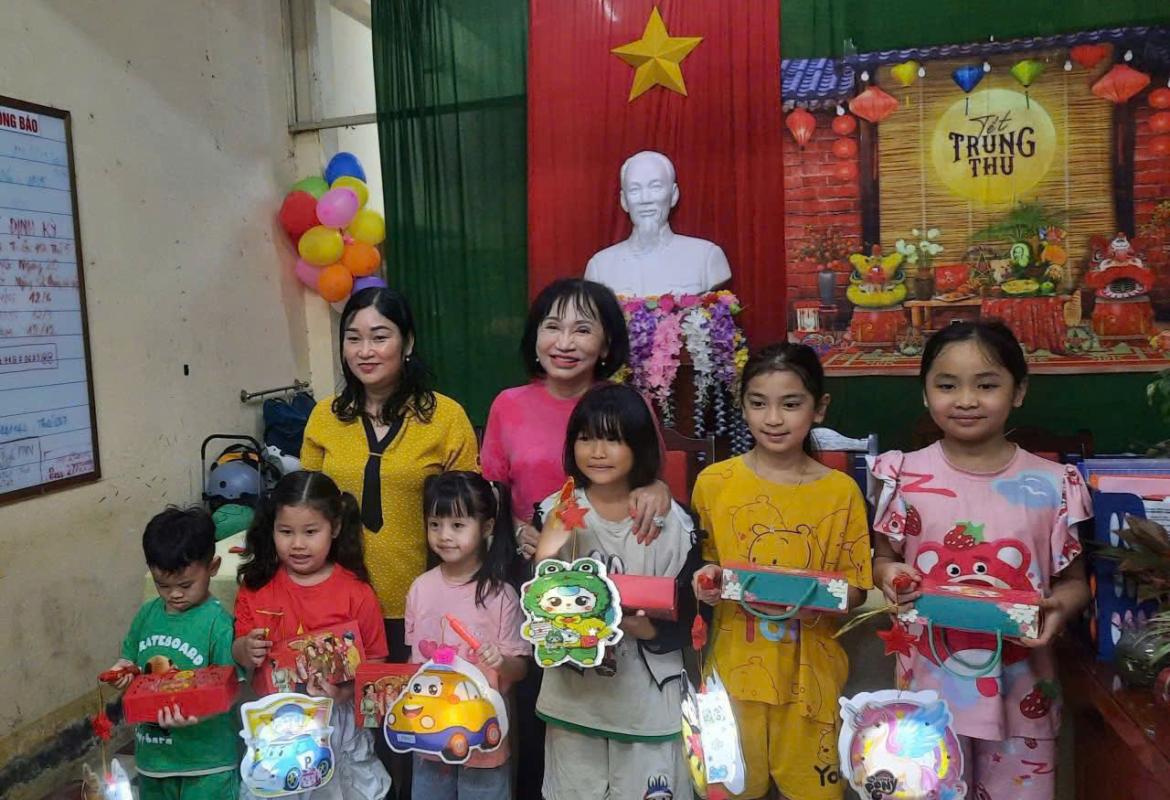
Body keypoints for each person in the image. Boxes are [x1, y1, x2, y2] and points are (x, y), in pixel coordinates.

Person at [869, 320, 1091, 800]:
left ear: (1019, 391)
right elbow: (883, 557)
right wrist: (889, 574)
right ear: (925, 393)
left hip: (1023, 695)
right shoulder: (903, 475)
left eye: (986, 385)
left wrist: (1061, 607)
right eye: (947, 385)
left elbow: (1075, 581)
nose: (966, 400)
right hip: (926, 691)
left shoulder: (1053, 484)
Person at [480, 278, 673, 799]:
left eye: (582, 330)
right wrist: (517, 530)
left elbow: (651, 476)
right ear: (535, 336)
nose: (564, 342)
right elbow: (494, 491)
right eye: (552, 327)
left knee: (605, 694)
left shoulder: (628, 403)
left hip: (612, 574)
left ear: (606, 344)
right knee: (540, 705)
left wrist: (656, 487)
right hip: (532, 572)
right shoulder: (508, 405)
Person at [691, 343, 872, 800]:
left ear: (819, 408)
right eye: (758, 403)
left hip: (811, 676)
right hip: (734, 670)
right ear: (742, 406)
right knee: (731, 788)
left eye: (790, 404)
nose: (773, 418)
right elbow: (705, 565)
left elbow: (856, 589)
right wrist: (707, 582)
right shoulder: (714, 483)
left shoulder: (841, 492)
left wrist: (814, 597)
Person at [533, 383, 699, 800]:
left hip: (647, 703)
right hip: (575, 702)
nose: (597, 452)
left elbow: (694, 615)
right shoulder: (554, 511)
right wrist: (545, 551)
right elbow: (534, 607)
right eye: (586, 438)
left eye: (613, 438)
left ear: (638, 445)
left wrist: (645, 628)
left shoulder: (675, 523)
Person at [300, 286, 479, 659]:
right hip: (339, 600)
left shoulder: (445, 418)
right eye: (353, 338)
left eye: (379, 337)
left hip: (426, 599)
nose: (365, 351)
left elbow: (470, 515)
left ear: (407, 343)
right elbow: (307, 510)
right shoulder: (324, 417)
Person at [233, 471, 390, 800]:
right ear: (271, 528)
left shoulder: (357, 593)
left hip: (336, 726)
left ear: (335, 528)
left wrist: (344, 692)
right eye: (285, 531)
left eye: (310, 532)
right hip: (274, 727)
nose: (298, 544)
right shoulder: (257, 587)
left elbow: (376, 664)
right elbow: (239, 653)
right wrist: (246, 649)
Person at [404, 471, 529, 799]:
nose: (444, 535)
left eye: (457, 525)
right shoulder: (420, 589)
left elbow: (521, 669)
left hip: (484, 737)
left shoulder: (501, 595)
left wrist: (501, 662)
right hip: (430, 735)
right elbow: (414, 663)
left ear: (486, 527)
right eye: (435, 524)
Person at [102, 507, 240, 800]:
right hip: (154, 760)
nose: (174, 594)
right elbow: (130, 660)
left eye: (186, 585)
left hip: (207, 764)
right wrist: (120, 671)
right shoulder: (147, 615)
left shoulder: (218, 624)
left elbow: (230, 689)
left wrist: (197, 713)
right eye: (162, 585)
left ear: (213, 567)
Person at [584, 150, 731, 297]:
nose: (645, 199)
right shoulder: (600, 268)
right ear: (624, 201)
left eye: (655, 187)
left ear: (674, 195)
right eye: (634, 190)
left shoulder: (706, 257)